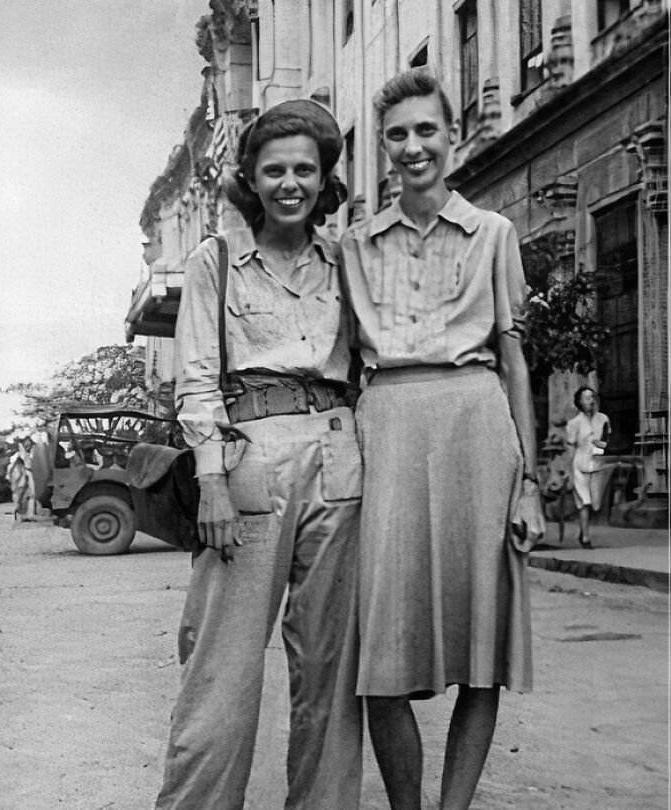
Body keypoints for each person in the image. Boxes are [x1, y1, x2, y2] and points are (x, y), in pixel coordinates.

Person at [340, 66, 546, 810]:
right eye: (397, 134)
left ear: (452, 135)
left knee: (481, 653)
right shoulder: (353, 248)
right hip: (386, 435)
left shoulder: (495, 234)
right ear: (384, 149)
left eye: (426, 129)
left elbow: (515, 355)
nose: (412, 146)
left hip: (477, 431)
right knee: (379, 662)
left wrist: (529, 481)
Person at [154, 99, 363, 810]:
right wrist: (210, 479)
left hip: (339, 454)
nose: (290, 183)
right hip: (249, 458)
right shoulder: (215, 261)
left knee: (331, 671)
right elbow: (196, 378)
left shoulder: (346, 260)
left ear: (325, 177)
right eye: (274, 170)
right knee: (222, 666)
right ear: (250, 177)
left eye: (305, 168)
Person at [566, 386, 611, 549]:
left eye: (592, 397)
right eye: (586, 398)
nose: (590, 401)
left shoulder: (603, 419)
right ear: (579, 401)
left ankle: (582, 531)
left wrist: (600, 446)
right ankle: (585, 537)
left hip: (597, 465)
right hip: (579, 466)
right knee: (584, 502)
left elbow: (606, 440)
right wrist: (569, 471)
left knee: (596, 504)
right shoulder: (574, 423)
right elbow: (570, 447)